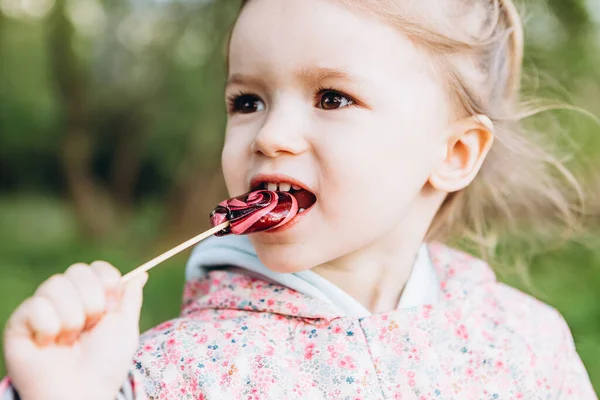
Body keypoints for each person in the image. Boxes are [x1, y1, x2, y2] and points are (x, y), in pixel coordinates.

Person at [2, 0, 597, 398]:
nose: (269, 136)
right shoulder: (171, 373)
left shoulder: (525, 343)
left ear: (455, 154)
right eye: (247, 102)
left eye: (332, 98)